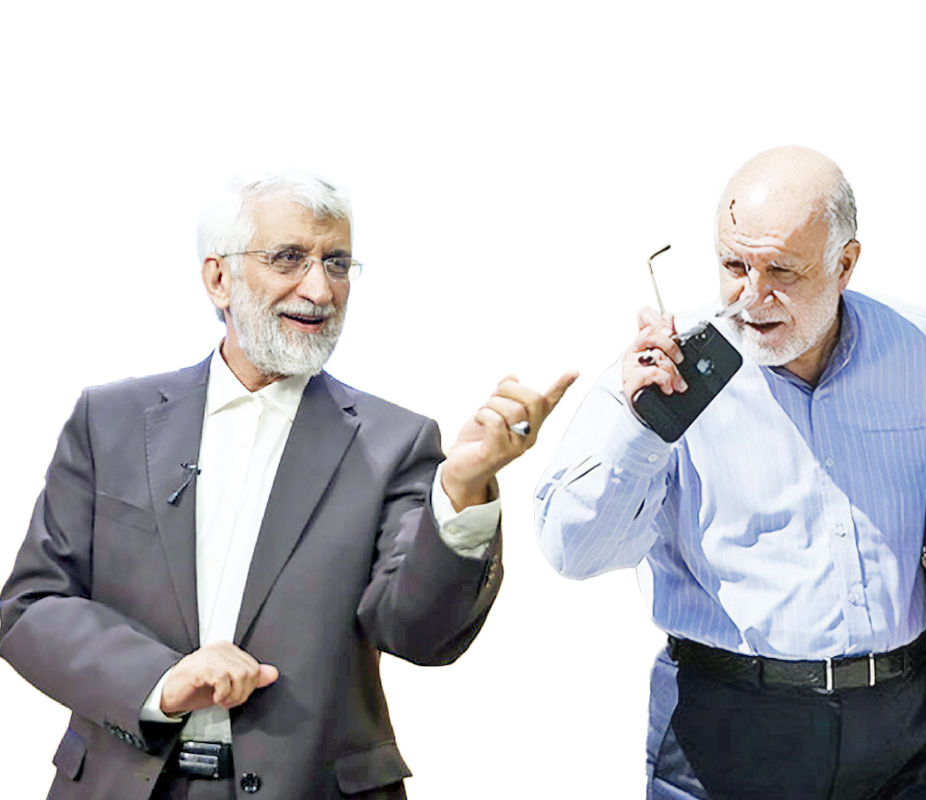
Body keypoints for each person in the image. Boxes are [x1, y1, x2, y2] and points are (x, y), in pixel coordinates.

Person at [0, 172, 575, 799]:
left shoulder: (395, 444)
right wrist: (159, 681)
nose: (319, 289)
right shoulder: (109, 421)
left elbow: (420, 634)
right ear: (218, 279)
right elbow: (32, 606)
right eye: (288, 258)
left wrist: (463, 488)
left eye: (337, 263)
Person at [535, 146, 926, 799]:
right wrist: (644, 430)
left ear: (844, 264)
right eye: (733, 265)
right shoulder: (662, 375)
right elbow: (573, 552)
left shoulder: (920, 347)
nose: (751, 295)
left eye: (780, 269)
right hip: (729, 735)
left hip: (906, 731)